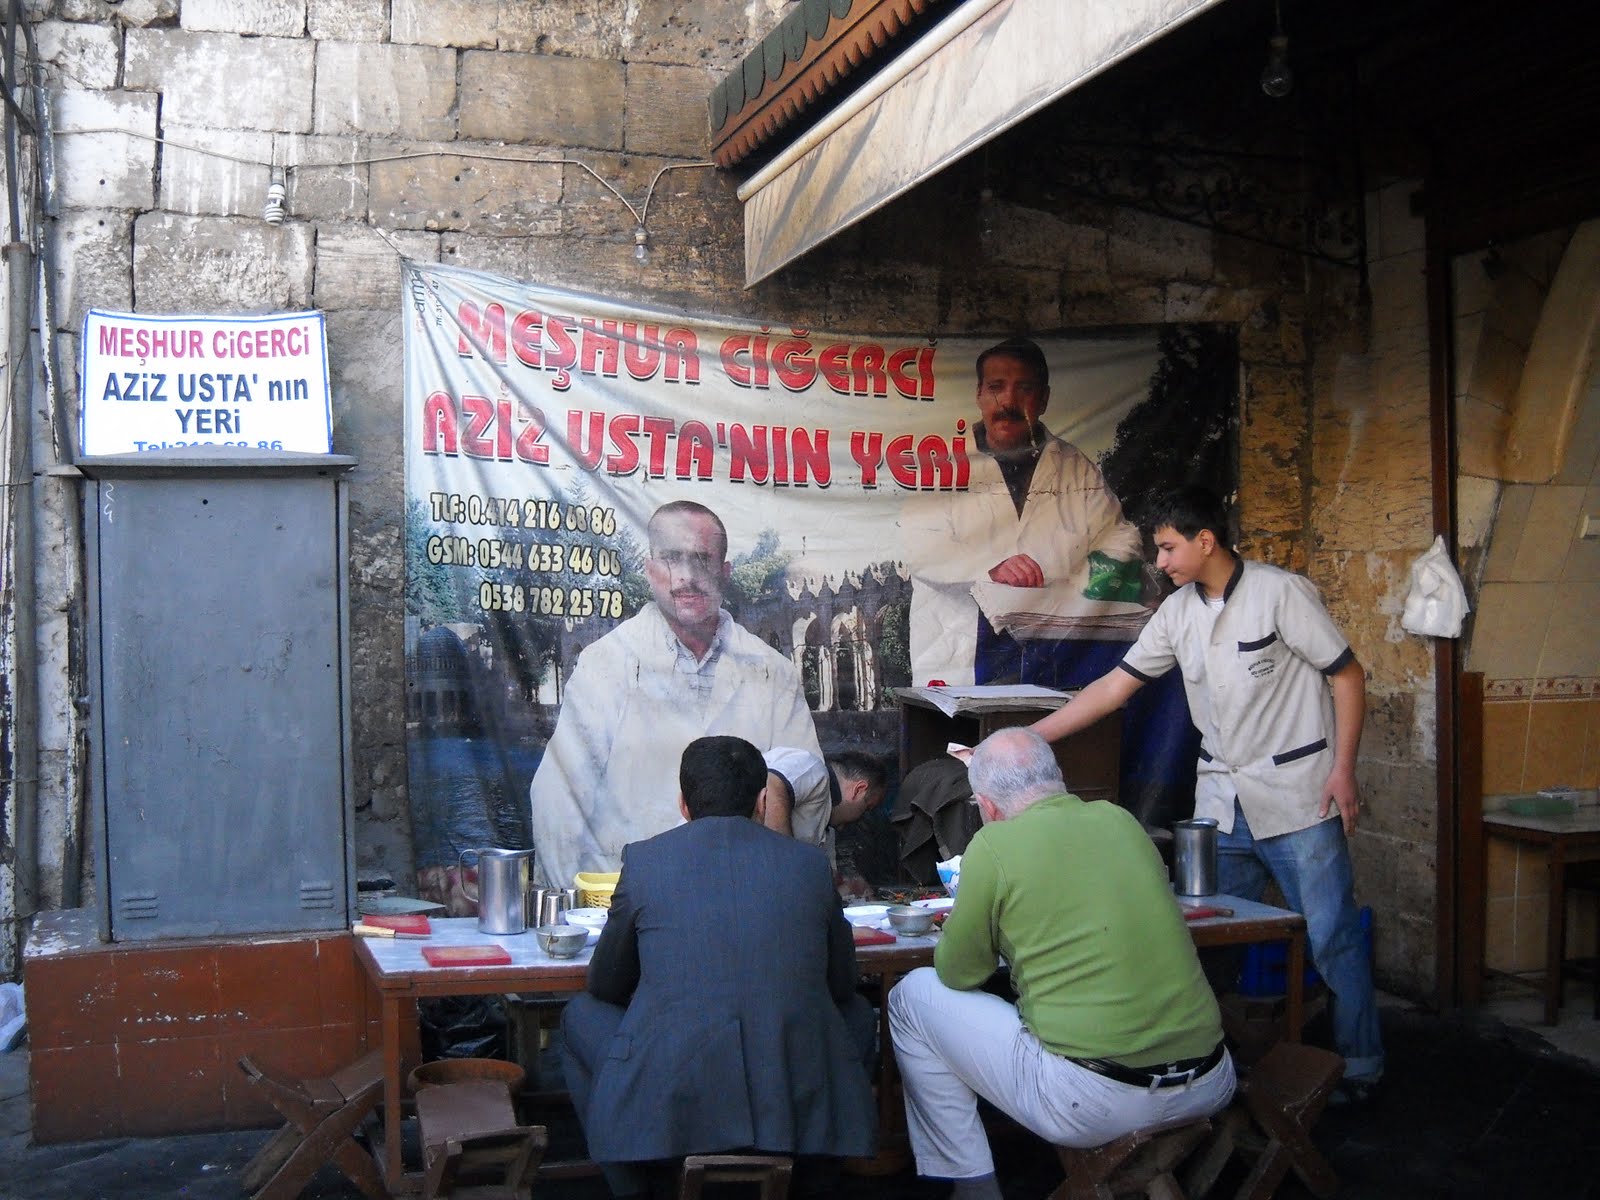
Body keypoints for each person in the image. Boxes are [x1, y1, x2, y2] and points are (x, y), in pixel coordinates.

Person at [1029, 484, 1383, 1100]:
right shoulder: (1177, 612)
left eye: (1167, 549)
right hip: (1222, 804)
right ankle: (1202, 1063)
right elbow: (1115, 688)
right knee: (1204, 934)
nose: (1160, 563)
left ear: (1205, 540)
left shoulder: (1280, 593)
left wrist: (1343, 767)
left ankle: (1360, 1065)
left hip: (1301, 794)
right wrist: (1030, 739)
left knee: (1331, 934)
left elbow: (1347, 675)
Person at [888, 728, 1234, 1200]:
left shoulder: (994, 847)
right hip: (1210, 1080)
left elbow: (958, 973)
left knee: (912, 995)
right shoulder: (1122, 821)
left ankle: (973, 1187)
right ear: (1058, 778)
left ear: (986, 807)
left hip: (1096, 1100)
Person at [561, 736, 876, 1198]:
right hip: (788, 1069)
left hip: (674, 1072)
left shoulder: (646, 861)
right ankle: (814, 1173)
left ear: (683, 803)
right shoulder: (809, 865)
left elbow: (605, 985)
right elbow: (843, 984)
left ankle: (633, 1183)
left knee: (579, 1016)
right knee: (859, 1018)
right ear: (762, 799)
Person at [529, 500, 822, 888]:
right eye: (670, 559)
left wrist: (776, 886)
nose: (687, 577)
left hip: (745, 893)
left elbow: (808, 780)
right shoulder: (606, 664)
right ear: (651, 571)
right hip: (630, 898)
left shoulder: (772, 671)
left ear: (724, 572)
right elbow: (559, 799)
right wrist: (583, 910)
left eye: (702, 560)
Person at [901, 336, 1146, 687]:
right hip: (961, 648)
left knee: (1045, 739)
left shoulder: (1075, 467)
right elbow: (918, 548)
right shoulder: (942, 463)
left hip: (1054, 649)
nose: (1009, 402)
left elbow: (1122, 540)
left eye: (1025, 388)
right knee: (963, 740)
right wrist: (989, 568)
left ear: (1044, 398)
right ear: (979, 395)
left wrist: (1069, 583)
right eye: (996, 387)